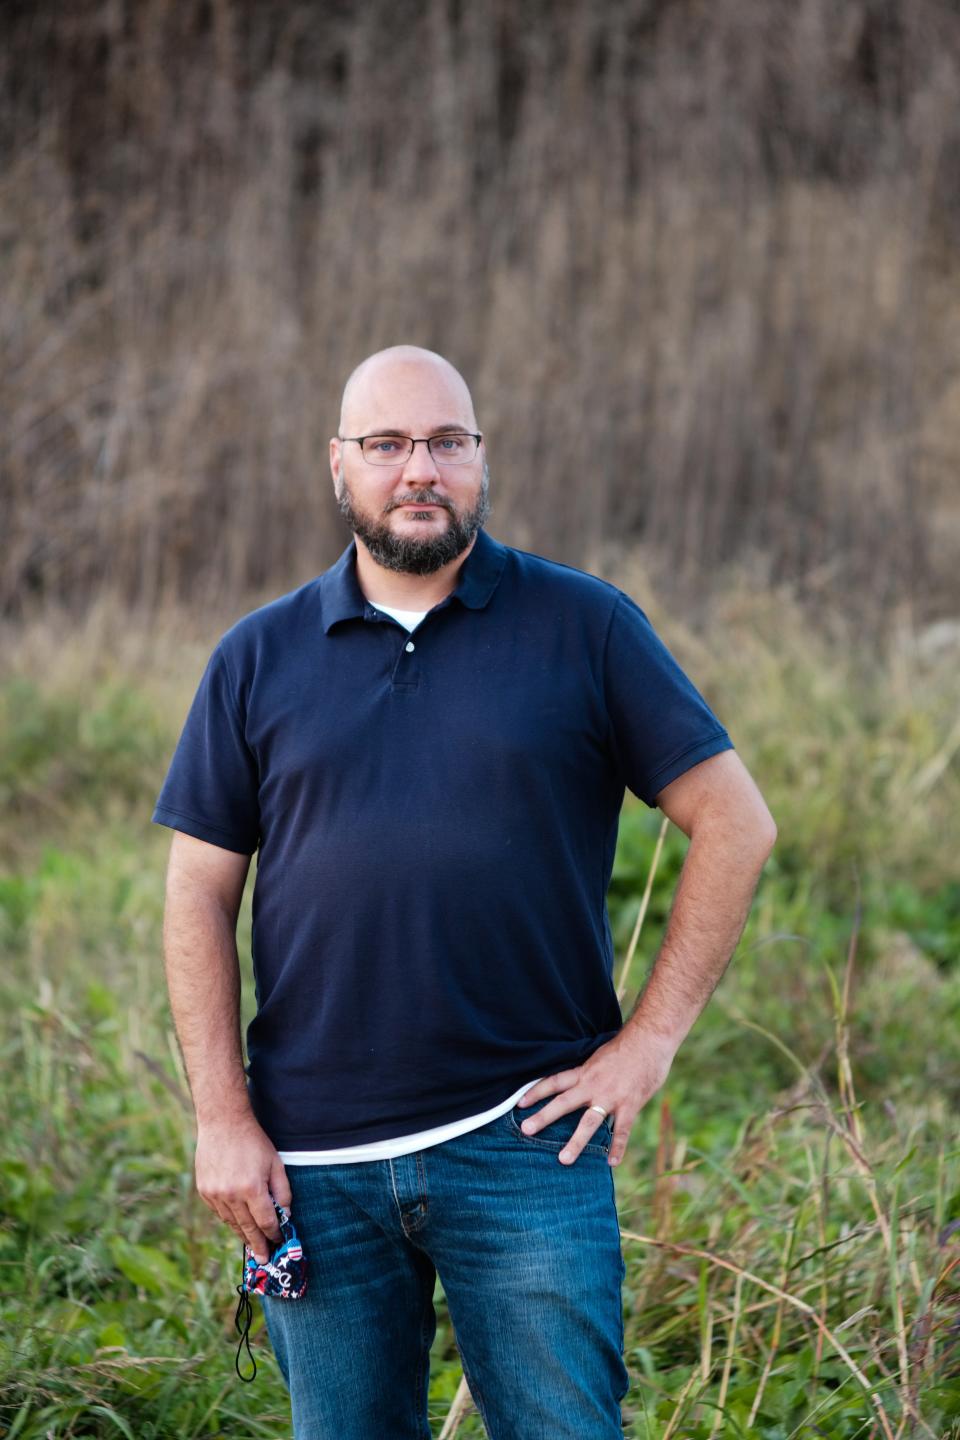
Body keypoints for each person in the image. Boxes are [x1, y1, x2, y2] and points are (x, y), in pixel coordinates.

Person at [153, 344, 777, 1439]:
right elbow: (197, 894)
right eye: (387, 444)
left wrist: (649, 1043)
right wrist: (222, 1116)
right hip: (312, 1159)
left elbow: (737, 821)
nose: (419, 470)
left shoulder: (585, 626)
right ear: (336, 466)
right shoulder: (256, 657)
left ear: (481, 457)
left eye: (447, 441)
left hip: (528, 1143)